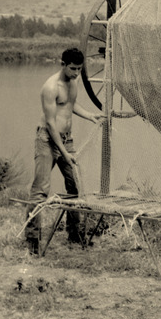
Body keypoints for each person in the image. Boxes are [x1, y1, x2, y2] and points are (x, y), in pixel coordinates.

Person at [25, 47, 104, 255]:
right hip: (48, 140)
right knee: (40, 190)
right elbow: (51, 124)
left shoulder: (74, 82)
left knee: (75, 187)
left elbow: (71, 105)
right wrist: (63, 153)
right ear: (63, 64)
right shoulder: (50, 87)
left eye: (79, 69)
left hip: (67, 140)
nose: (76, 73)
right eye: (72, 69)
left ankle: (74, 235)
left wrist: (90, 116)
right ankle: (33, 241)